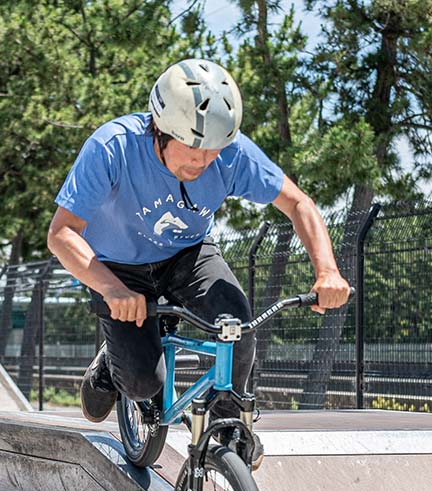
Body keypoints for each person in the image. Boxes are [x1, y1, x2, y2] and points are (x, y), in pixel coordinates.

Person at [46, 58, 350, 467]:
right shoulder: (112, 147)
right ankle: (110, 367)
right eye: (193, 150)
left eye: (214, 152)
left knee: (237, 327)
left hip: (187, 255)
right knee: (141, 383)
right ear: (161, 129)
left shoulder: (231, 154)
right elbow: (62, 233)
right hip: (117, 268)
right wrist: (112, 289)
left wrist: (327, 270)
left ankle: (228, 424)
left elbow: (298, 203)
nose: (204, 163)